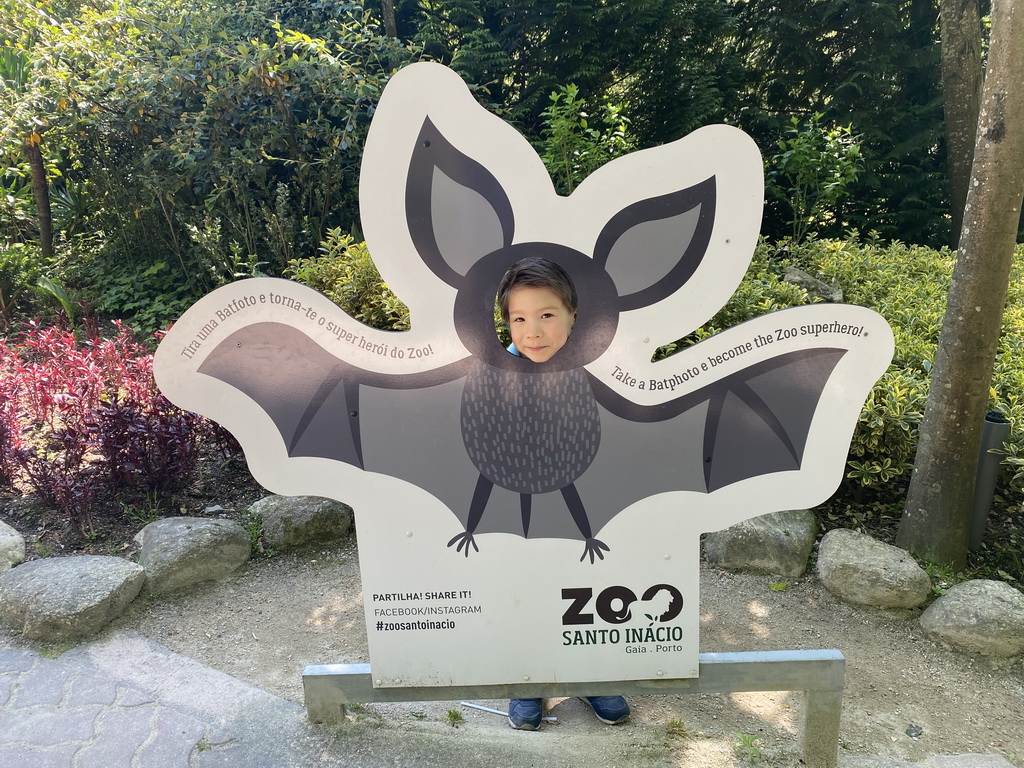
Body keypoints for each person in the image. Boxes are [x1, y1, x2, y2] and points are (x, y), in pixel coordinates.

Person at [496, 256, 631, 730]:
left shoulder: (600, 366)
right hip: (521, 505)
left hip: (585, 502)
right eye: (519, 318)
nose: (533, 330)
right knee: (525, 591)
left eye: (547, 315)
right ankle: (527, 682)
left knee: (586, 592)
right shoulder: (495, 373)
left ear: (574, 316)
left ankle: (591, 674)